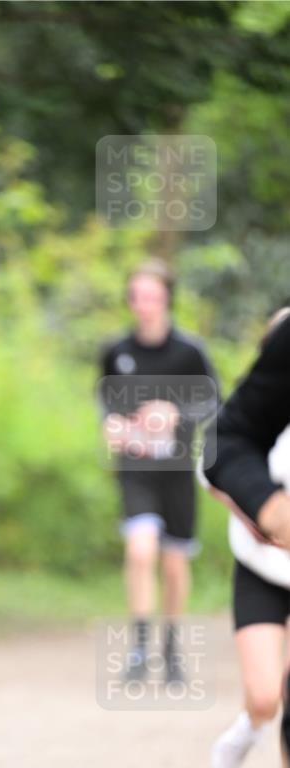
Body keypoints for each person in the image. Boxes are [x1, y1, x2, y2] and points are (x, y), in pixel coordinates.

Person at [99, 259, 218, 683]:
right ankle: (139, 646)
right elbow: (106, 400)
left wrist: (174, 413)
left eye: (152, 296)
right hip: (136, 467)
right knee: (140, 549)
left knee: (172, 561)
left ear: (167, 298)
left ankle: (171, 647)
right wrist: (111, 424)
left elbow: (212, 401)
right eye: (137, 296)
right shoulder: (117, 350)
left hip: (177, 468)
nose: (144, 305)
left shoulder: (190, 351)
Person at [202, 310, 290, 768]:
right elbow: (221, 455)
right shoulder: (268, 412)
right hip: (262, 563)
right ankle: (252, 723)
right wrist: (269, 512)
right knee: (265, 693)